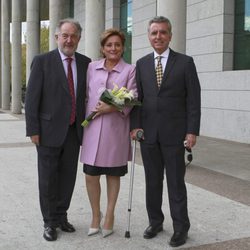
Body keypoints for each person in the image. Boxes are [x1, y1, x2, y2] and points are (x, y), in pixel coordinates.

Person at [130, 16, 201, 247]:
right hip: (148, 134)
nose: (158, 36)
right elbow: (137, 99)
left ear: (170, 36)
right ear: (149, 37)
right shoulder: (140, 64)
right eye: (154, 33)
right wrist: (135, 125)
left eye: (162, 32)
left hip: (175, 135)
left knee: (175, 183)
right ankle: (155, 222)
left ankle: (181, 228)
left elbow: (193, 100)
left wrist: (192, 131)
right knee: (152, 181)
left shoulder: (185, 63)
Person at [25, 18, 91, 241]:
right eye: (65, 35)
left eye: (73, 36)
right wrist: (33, 130)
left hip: (74, 131)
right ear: (57, 38)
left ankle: (62, 216)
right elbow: (32, 98)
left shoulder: (85, 63)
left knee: (68, 177)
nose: (69, 40)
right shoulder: (42, 61)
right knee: (48, 178)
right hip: (47, 131)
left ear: (79, 39)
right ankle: (49, 222)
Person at [80, 28, 137, 238]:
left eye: (117, 45)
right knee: (90, 175)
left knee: (113, 174)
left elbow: (132, 98)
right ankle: (96, 215)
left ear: (123, 48)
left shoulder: (130, 70)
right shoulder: (91, 67)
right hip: (93, 129)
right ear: (103, 48)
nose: (113, 48)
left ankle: (110, 215)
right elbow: (85, 95)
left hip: (116, 131)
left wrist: (111, 108)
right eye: (109, 45)